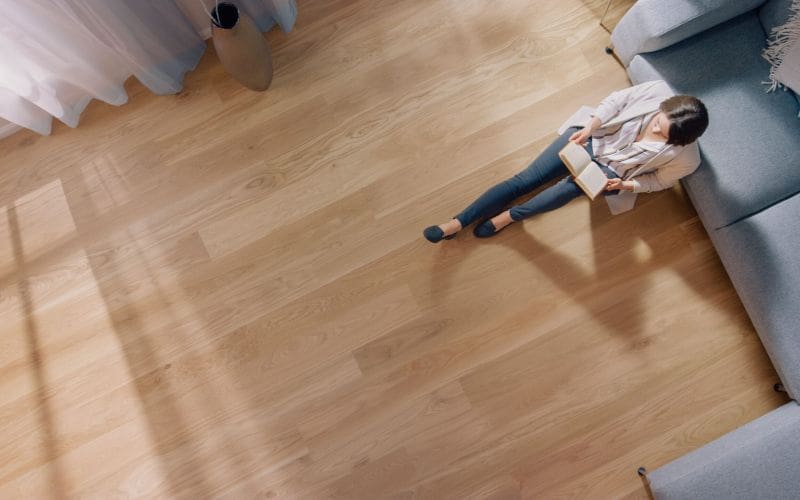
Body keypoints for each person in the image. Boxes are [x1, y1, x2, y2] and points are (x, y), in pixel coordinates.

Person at [423, 80, 709, 243]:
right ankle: (456, 223)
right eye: (658, 120)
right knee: (526, 179)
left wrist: (627, 185)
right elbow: (615, 102)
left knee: (565, 190)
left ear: (680, 140)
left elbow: (659, 181)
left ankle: (509, 216)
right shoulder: (658, 91)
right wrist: (590, 127)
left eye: (663, 133)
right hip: (594, 137)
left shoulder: (686, 158)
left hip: (612, 170)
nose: (656, 128)